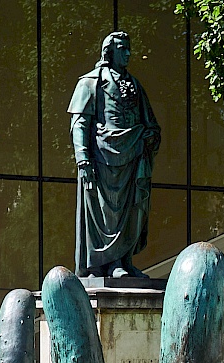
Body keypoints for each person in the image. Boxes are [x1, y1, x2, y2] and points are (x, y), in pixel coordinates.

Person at [68, 32, 160, 279]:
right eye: (123, 48)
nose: (128, 53)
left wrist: (150, 135)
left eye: (129, 48)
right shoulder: (91, 82)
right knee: (104, 212)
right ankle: (103, 264)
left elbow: (150, 121)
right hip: (102, 158)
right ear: (110, 51)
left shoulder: (135, 85)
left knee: (130, 210)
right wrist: (83, 158)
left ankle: (123, 260)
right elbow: (80, 123)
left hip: (132, 157)